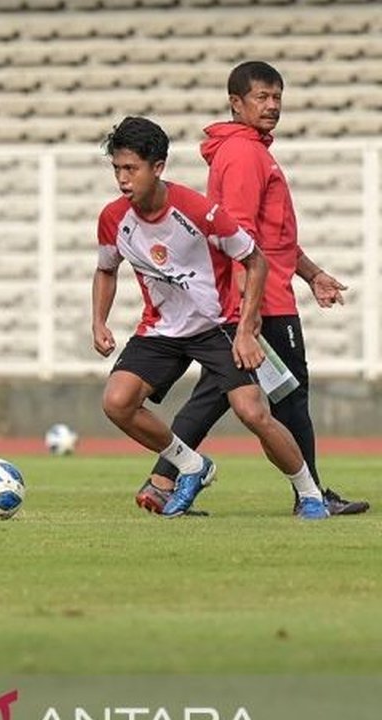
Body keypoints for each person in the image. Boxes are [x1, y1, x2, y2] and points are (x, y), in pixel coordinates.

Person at [134, 61, 369, 517]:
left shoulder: (248, 151)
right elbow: (239, 237)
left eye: (277, 97)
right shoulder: (244, 154)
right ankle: (311, 496)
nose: (272, 106)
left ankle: (162, 482)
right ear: (236, 103)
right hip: (266, 300)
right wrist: (248, 310)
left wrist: (312, 274)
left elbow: (274, 237)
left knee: (216, 392)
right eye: (262, 97)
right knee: (289, 396)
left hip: (261, 293)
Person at [92, 116, 328, 521]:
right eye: (117, 169)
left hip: (218, 325)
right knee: (117, 402)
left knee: (252, 412)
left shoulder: (199, 212)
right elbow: (106, 269)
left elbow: (255, 260)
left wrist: (247, 329)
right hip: (163, 329)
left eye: (131, 168)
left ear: (158, 167)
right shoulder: (113, 218)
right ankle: (191, 465)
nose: (122, 179)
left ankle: (310, 495)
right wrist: (99, 321)